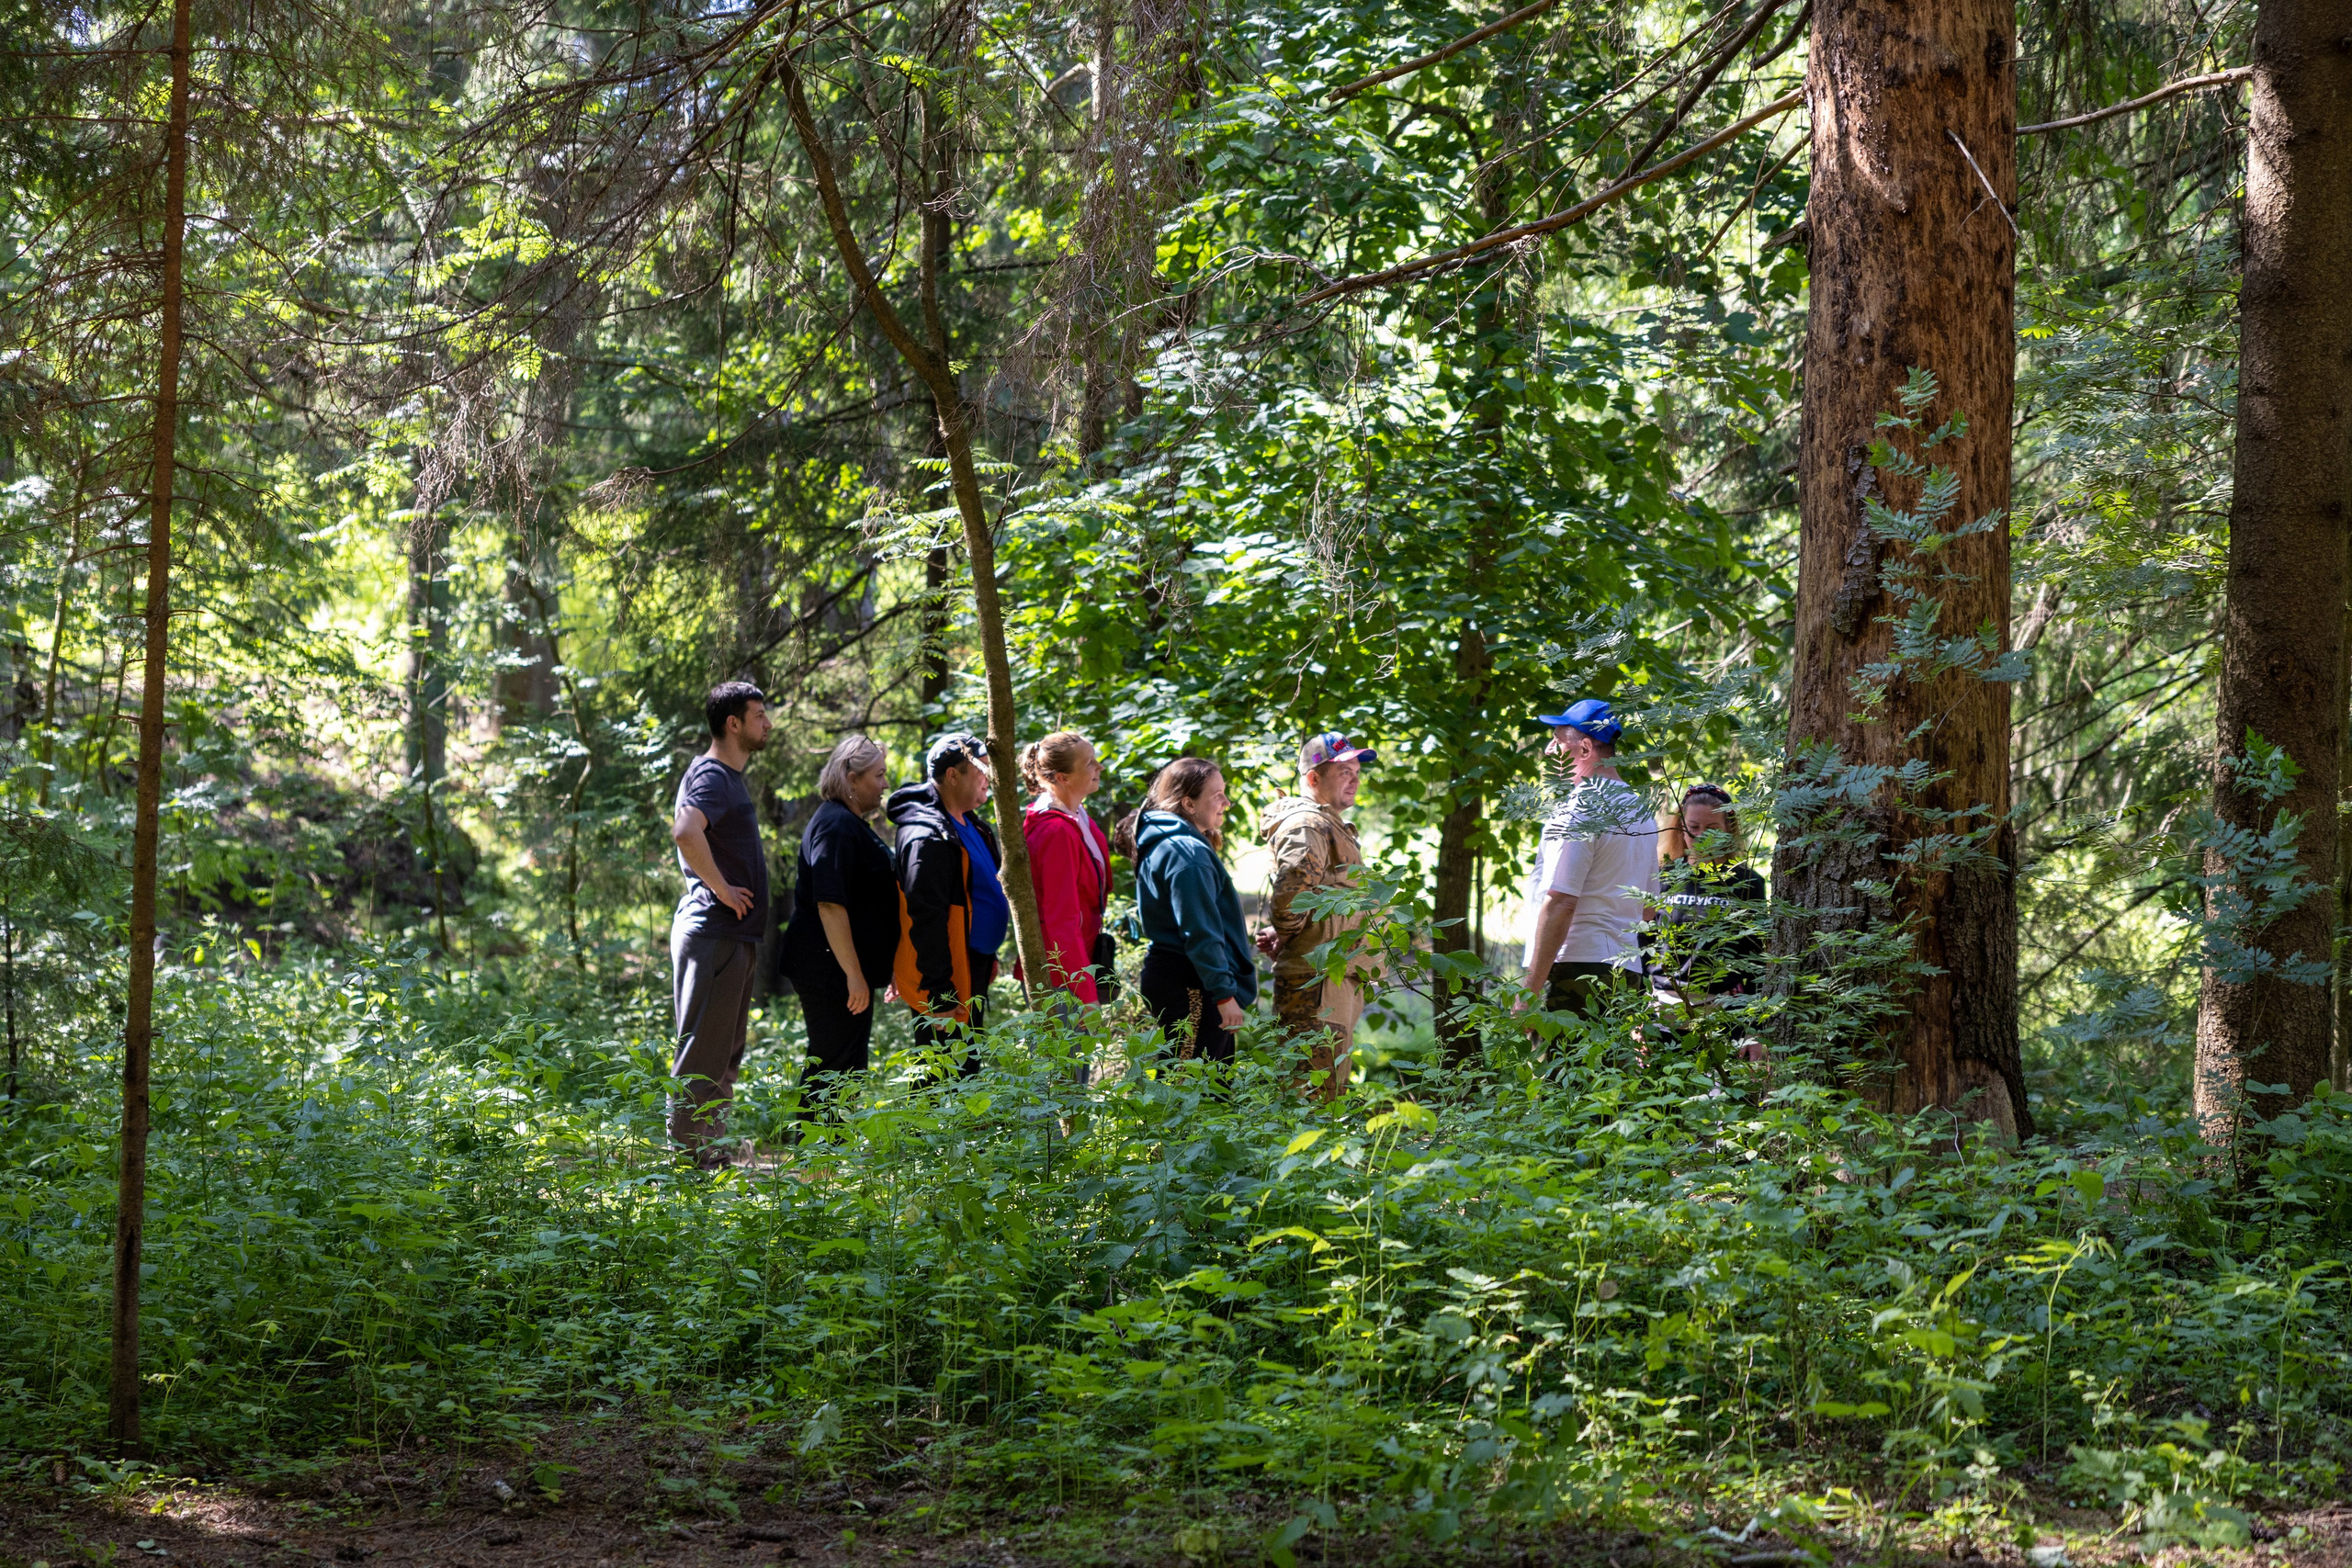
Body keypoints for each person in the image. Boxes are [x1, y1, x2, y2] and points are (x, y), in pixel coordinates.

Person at [667, 680, 774, 1165]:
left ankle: (710, 1156)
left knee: (723, 1055)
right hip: (714, 932)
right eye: (758, 715)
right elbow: (686, 832)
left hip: (731, 937)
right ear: (733, 724)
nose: (767, 723)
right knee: (702, 1058)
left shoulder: (725, 777)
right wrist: (721, 889)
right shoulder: (711, 775)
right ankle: (691, 1169)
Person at [780, 736, 899, 1117]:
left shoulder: (850, 823)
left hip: (842, 968)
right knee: (833, 1065)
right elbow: (830, 903)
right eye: (878, 775)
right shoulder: (834, 826)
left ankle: (824, 1163)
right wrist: (853, 974)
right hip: (829, 970)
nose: (884, 784)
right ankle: (814, 1165)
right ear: (851, 778)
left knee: (844, 1066)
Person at [1521, 698, 1660, 1020]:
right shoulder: (1641, 810)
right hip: (1626, 973)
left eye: (1557, 741)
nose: (1549, 751)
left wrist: (1529, 992)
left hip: (1577, 971)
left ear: (1585, 749)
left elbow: (1560, 902)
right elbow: (1649, 907)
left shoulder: (1579, 809)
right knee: (1612, 1069)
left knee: (1568, 1069)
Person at [1261, 732, 1376, 1101]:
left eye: (1357, 771)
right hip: (1317, 981)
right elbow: (1292, 895)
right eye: (1344, 772)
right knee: (1311, 1096)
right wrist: (1292, 934)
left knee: (1327, 1090)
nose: (1355, 780)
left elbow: (1316, 897)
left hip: (1331, 977)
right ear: (1314, 778)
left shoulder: (1329, 825)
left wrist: (1292, 932)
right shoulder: (1308, 824)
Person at [887, 733, 1008, 1074]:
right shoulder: (927, 834)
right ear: (953, 775)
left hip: (973, 963)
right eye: (981, 769)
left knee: (966, 1066)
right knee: (944, 1076)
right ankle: (924, 1131)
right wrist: (940, 994)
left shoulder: (973, 825)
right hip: (944, 976)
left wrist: (988, 955)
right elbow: (927, 916)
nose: (989, 776)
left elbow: (977, 896)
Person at [1124, 759, 1258, 1066]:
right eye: (1217, 795)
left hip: (1186, 978)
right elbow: (1199, 931)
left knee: (1213, 1089)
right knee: (1188, 1088)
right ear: (1189, 803)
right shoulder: (1187, 853)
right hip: (1191, 983)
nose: (1227, 802)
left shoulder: (1171, 842)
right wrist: (1224, 995)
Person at [1650, 784, 1769, 1003]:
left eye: (1712, 828)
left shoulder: (1748, 882)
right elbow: (1643, 940)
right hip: (1662, 1007)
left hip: (1722, 1009)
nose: (1701, 836)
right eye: (1693, 827)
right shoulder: (1662, 877)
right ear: (1681, 827)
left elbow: (1756, 954)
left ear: (1728, 829)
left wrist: (1755, 1021)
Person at [1019, 731, 1114, 1005]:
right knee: (1063, 1050)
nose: (1100, 767)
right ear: (1063, 778)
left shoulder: (1077, 816)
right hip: (1061, 978)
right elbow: (1062, 920)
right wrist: (1084, 994)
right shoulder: (1056, 831)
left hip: (1077, 965)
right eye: (1089, 763)